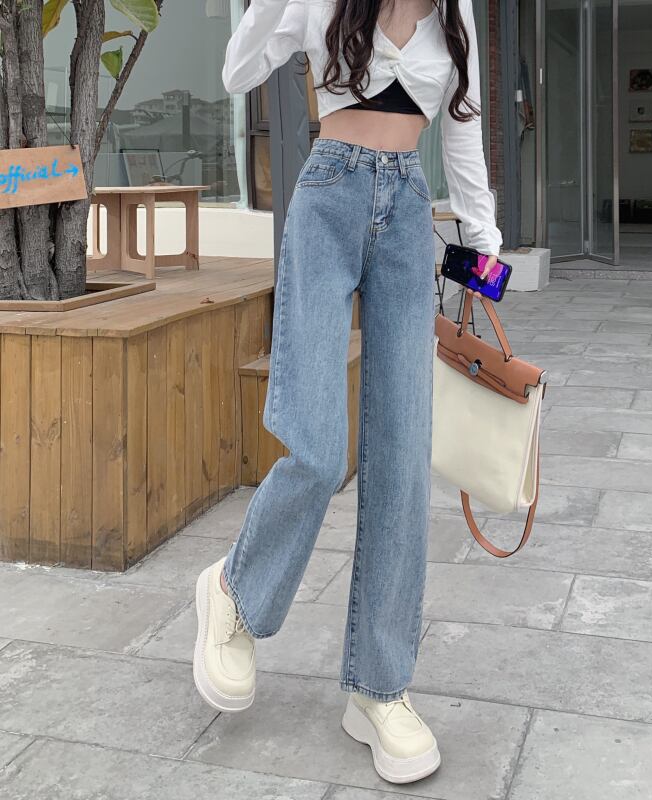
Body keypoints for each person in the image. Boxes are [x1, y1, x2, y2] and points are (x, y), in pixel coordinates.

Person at [193, 0, 502, 785]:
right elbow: (236, 71)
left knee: (402, 459)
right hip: (328, 198)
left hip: (408, 214)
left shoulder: (455, 13)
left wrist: (484, 248)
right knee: (319, 446)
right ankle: (233, 591)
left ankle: (378, 690)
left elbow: (462, 134)